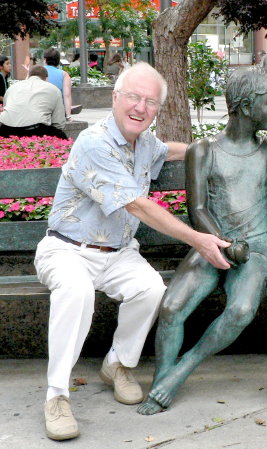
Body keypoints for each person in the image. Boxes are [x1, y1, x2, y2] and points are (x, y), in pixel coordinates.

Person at [35, 62, 232, 441]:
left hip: (118, 253)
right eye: (134, 97)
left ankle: (118, 365)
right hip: (67, 250)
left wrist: (210, 151)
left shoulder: (143, 143)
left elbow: (169, 150)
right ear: (115, 98)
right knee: (75, 292)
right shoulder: (94, 143)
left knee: (150, 288)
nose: (141, 107)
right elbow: (137, 205)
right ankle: (56, 395)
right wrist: (199, 239)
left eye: (150, 101)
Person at [137, 66, 267, 416]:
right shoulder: (204, 150)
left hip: (258, 248)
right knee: (172, 308)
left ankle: (181, 370)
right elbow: (198, 208)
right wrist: (219, 243)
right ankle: (162, 379)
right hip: (210, 243)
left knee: (241, 310)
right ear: (247, 107)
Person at [0, 65, 67, 139]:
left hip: (6, 129)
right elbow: (58, 123)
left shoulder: (12, 87)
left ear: (28, 76)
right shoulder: (53, 89)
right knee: (62, 137)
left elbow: (5, 108)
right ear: (46, 78)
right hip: (36, 130)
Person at [44, 48, 73, 121]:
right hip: (57, 111)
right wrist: (68, 116)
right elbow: (67, 96)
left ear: (45, 59)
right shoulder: (64, 74)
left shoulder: (37, 71)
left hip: (39, 109)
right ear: (58, 60)